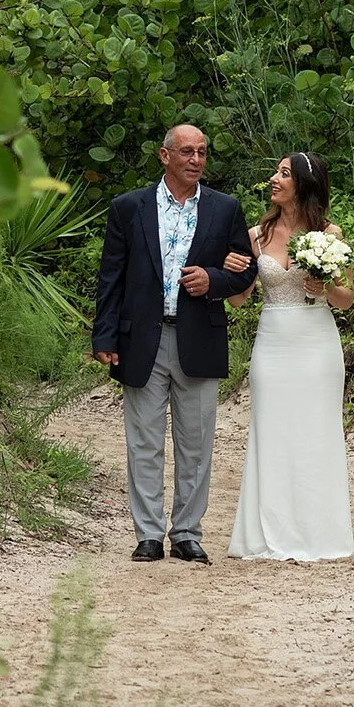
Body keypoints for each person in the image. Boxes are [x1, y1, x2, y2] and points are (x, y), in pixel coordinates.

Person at [92, 125, 256, 563]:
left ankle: (186, 532)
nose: (196, 159)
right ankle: (148, 534)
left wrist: (213, 279)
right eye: (187, 151)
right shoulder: (129, 207)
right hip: (141, 335)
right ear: (164, 156)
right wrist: (104, 335)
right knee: (144, 441)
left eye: (202, 152)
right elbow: (112, 275)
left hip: (199, 336)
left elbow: (245, 271)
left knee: (196, 442)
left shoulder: (225, 209)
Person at [228, 151, 354, 561]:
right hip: (272, 341)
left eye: (283, 173)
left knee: (315, 432)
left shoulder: (329, 234)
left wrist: (324, 289)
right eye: (276, 172)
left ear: (303, 183)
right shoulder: (256, 235)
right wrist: (231, 269)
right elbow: (236, 300)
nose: (273, 179)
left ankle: (319, 533)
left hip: (316, 342)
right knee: (272, 430)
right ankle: (266, 532)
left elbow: (347, 299)